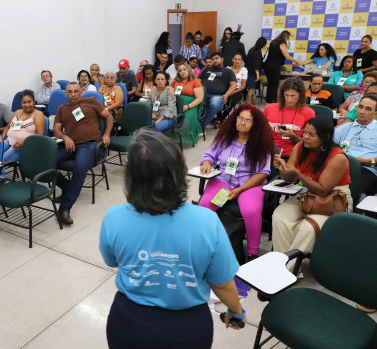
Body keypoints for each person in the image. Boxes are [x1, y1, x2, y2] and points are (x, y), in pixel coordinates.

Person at [100, 129, 245, 348]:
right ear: (179, 172)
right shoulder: (207, 221)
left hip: (129, 323)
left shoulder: (114, 217)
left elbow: (112, 261)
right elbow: (222, 284)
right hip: (187, 328)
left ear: (132, 178)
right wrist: (237, 313)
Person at [272, 116, 352, 271]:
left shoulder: (338, 157)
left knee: (308, 228)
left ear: (325, 137)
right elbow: (288, 178)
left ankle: (286, 270)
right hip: (309, 193)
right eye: (304, 132)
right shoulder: (300, 147)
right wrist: (283, 169)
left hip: (334, 198)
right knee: (280, 217)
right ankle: (284, 264)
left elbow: (322, 189)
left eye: (311, 134)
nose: (305, 137)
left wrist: (298, 173)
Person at [199, 104, 273, 260]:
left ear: (255, 125)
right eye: (240, 118)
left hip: (250, 183)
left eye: (248, 121)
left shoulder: (261, 142)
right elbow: (209, 155)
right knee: (205, 205)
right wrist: (206, 163)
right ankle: (203, 244)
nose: (242, 123)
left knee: (250, 210)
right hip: (224, 180)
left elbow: (263, 172)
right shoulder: (226, 138)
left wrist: (240, 189)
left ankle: (252, 253)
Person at [54, 82, 113, 225]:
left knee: (79, 169)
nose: (73, 94)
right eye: (70, 92)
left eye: (75, 91)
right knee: (45, 162)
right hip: (71, 146)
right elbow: (57, 130)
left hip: (90, 145)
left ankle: (64, 208)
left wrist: (106, 135)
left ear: (80, 92)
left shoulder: (92, 101)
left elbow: (109, 117)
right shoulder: (62, 109)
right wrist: (65, 137)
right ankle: (67, 187)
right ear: (65, 94)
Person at [334, 94, 377, 196]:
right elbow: (327, 146)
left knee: (354, 192)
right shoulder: (345, 127)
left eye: (368, 109)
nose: (362, 111)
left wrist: (368, 161)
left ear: (375, 114)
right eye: (360, 107)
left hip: (366, 170)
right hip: (340, 167)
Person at [263, 77, 315, 157]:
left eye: (293, 96)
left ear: (300, 95)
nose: (289, 99)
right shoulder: (269, 108)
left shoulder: (308, 113)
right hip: (268, 152)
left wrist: (292, 136)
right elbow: (256, 133)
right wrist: (265, 129)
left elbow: (310, 143)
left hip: (293, 155)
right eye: (286, 95)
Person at [1, 90, 46, 163]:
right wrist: (1, 141)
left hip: (24, 146)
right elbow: (7, 128)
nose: (27, 104)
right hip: (8, 141)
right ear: (21, 103)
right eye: (24, 102)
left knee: (0, 161)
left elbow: (41, 134)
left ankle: (0, 174)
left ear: (34, 101)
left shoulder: (38, 114)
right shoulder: (17, 112)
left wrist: (23, 140)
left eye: (29, 101)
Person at [264, 31, 305, 103]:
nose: (288, 39)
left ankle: (269, 102)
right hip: (274, 66)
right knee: (274, 85)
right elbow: (287, 56)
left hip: (267, 66)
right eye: (288, 37)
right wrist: (297, 61)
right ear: (285, 36)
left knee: (271, 85)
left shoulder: (273, 42)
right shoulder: (282, 44)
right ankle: (271, 103)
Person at [198, 52, 237, 128]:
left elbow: (234, 85)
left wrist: (226, 95)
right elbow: (198, 81)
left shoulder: (228, 71)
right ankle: (192, 124)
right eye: (213, 59)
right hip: (202, 94)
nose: (215, 60)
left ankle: (201, 126)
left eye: (217, 58)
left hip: (217, 96)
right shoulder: (206, 70)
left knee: (214, 104)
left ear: (222, 59)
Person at [170, 62, 204, 146]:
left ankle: (178, 139)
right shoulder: (175, 81)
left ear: (189, 70)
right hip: (176, 105)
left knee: (186, 119)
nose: (182, 71)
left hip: (191, 106)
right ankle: (171, 137)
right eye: (180, 70)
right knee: (170, 118)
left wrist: (188, 107)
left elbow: (199, 98)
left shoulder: (195, 81)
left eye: (184, 69)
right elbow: (168, 92)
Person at [245, 37, 267, 104]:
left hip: (249, 71)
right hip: (252, 73)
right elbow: (256, 64)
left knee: (250, 88)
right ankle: (248, 103)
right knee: (251, 89)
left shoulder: (252, 49)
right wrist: (257, 74)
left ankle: (249, 102)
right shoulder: (257, 51)